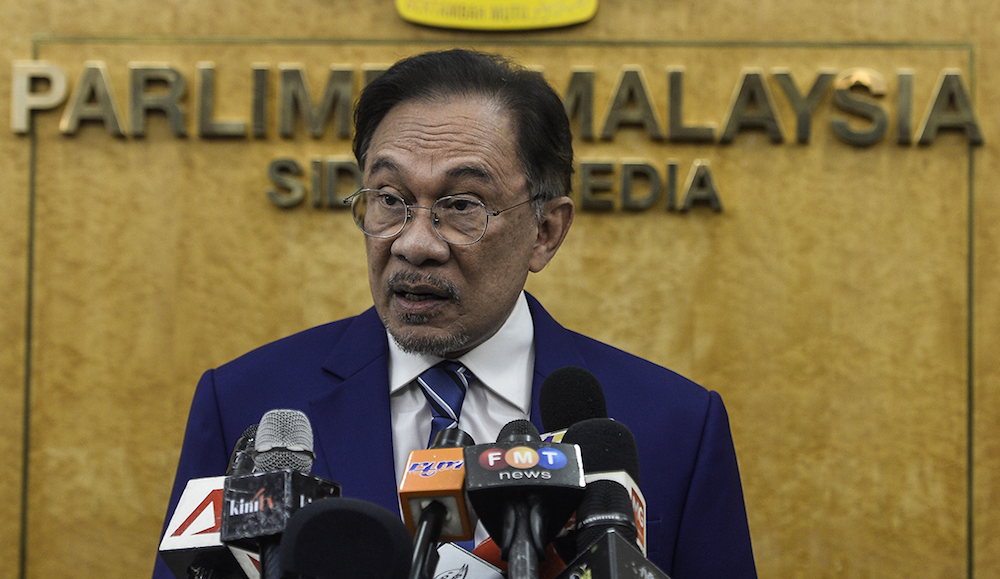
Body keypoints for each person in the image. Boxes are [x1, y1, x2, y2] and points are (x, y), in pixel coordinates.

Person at [153, 49, 756, 579]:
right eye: (389, 200)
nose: (416, 243)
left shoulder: (675, 427)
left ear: (545, 231)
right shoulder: (245, 403)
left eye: (461, 205)